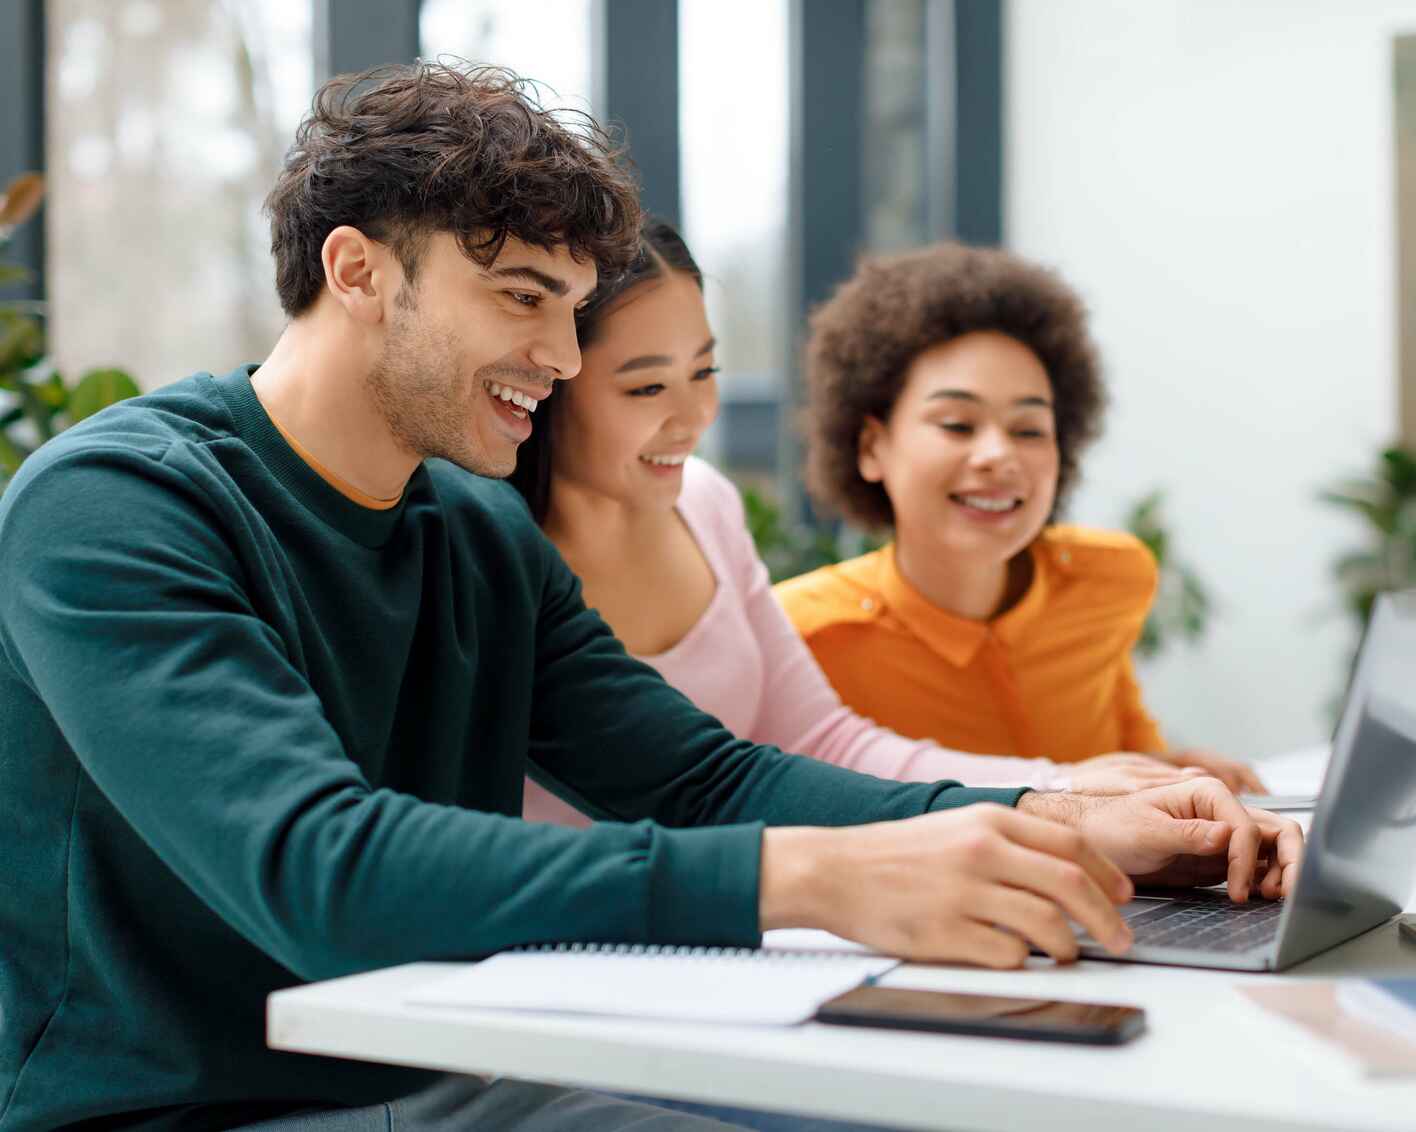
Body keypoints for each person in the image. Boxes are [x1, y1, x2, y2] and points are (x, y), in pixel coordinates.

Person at [0, 63, 1298, 1132]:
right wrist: (819, 882)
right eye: (521, 299)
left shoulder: (467, 527)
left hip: (433, 1074)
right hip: (182, 1111)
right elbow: (321, 868)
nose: (560, 360)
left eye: (573, 312)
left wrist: (1054, 819)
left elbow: (703, 780)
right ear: (357, 271)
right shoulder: (118, 509)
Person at [509, 220, 1206, 817]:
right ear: (549, 380)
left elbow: (819, 742)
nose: (695, 418)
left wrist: (1065, 788)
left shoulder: (708, 504)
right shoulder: (487, 550)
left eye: (706, 372)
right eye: (647, 386)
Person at [774, 243, 1265, 795]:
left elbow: (1126, 750)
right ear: (871, 446)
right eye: (957, 424)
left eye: (1029, 430)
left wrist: (1174, 770)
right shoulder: (803, 636)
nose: (998, 455)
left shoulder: (1109, 578)